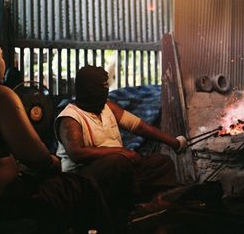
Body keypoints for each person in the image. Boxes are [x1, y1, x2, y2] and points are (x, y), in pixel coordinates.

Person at [0, 25, 128, 233]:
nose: (4, 62)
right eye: (2, 56)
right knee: (83, 188)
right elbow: (36, 157)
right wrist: (54, 163)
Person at [55, 65, 189, 206]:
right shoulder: (70, 117)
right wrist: (120, 151)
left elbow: (138, 126)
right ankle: (127, 205)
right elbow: (77, 153)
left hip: (118, 168)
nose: (105, 91)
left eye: (106, 87)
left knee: (162, 162)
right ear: (88, 89)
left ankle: (156, 207)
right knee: (118, 163)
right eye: (101, 87)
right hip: (83, 179)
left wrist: (174, 143)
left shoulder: (107, 107)